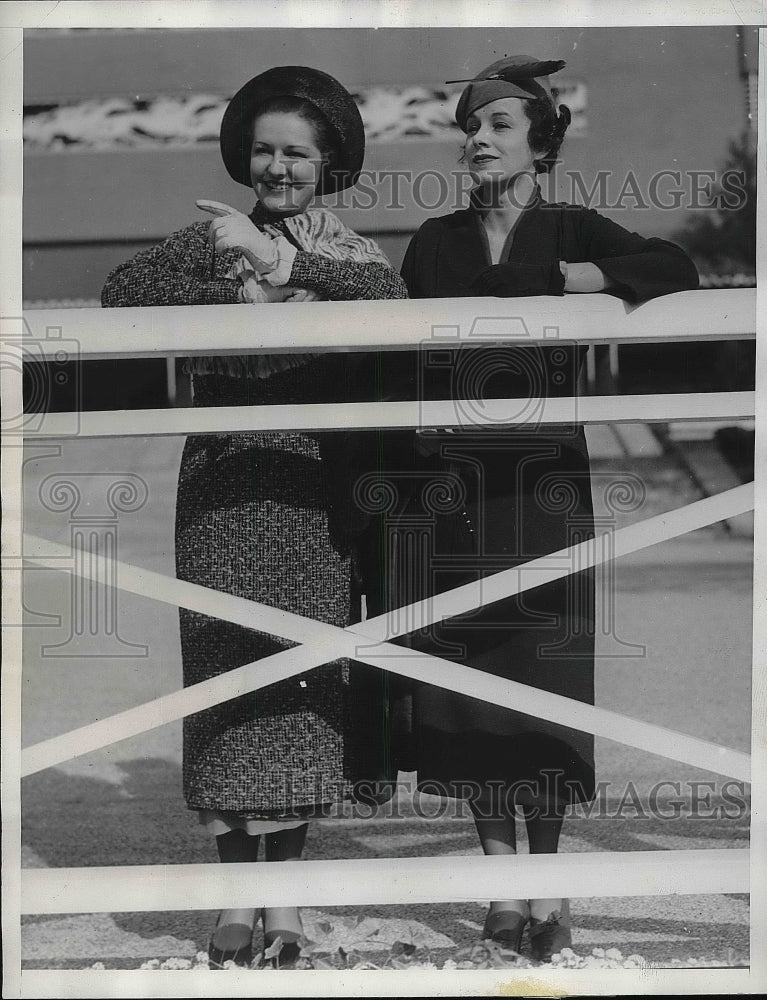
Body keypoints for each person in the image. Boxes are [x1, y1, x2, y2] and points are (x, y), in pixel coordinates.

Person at [368, 55, 699, 961]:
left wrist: (565, 279)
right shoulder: (433, 240)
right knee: (467, 681)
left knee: (541, 677)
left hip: (545, 482)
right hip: (450, 483)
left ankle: (548, 885)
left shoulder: (568, 226)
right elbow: (397, 361)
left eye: (499, 126)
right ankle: (498, 888)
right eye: (470, 126)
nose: (478, 139)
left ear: (540, 143)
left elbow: (670, 265)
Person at [102, 65, 407, 969]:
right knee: (230, 687)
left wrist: (286, 264)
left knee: (305, 691)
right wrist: (215, 256)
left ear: (330, 163)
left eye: (297, 153)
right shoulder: (211, 238)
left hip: (311, 492)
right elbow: (120, 295)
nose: (277, 168)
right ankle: (238, 900)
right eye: (265, 149)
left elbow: (392, 310)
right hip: (224, 488)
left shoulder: (350, 254)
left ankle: (287, 909)